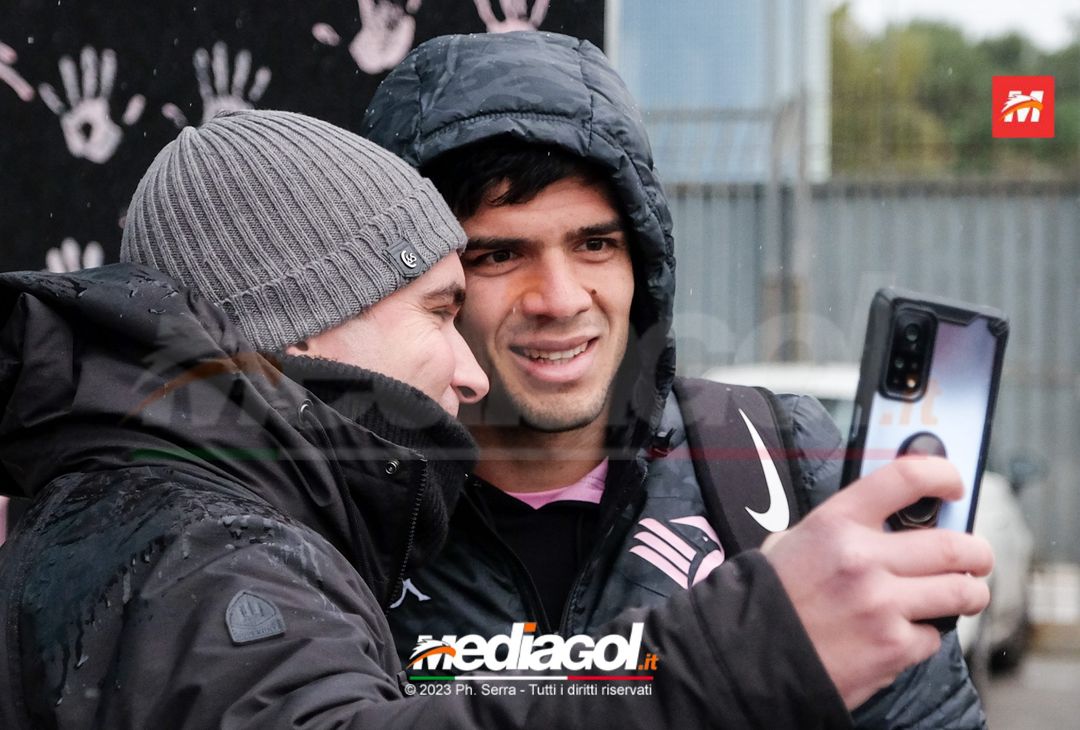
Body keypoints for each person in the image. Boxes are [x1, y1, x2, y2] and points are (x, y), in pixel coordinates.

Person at [0, 109, 887, 729]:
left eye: (597, 243)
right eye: (440, 309)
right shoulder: (205, 551)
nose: (467, 373)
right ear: (303, 322)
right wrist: (736, 659)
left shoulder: (169, 516)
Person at [363, 31, 992, 727]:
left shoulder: (778, 460)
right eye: (500, 256)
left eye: (595, 244)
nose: (560, 300)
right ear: (423, 285)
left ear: (644, 261)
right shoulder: (350, 517)